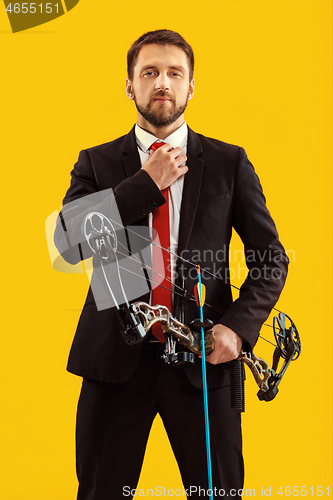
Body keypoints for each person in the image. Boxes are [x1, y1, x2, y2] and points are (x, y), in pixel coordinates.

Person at [54, 30, 288, 499]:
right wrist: (144, 183)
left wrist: (238, 329)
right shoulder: (97, 163)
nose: (162, 82)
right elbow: (69, 242)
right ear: (130, 86)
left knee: (219, 493)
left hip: (203, 359)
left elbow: (271, 258)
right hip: (116, 362)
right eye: (150, 73)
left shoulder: (228, 162)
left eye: (174, 73)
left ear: (190, 87)